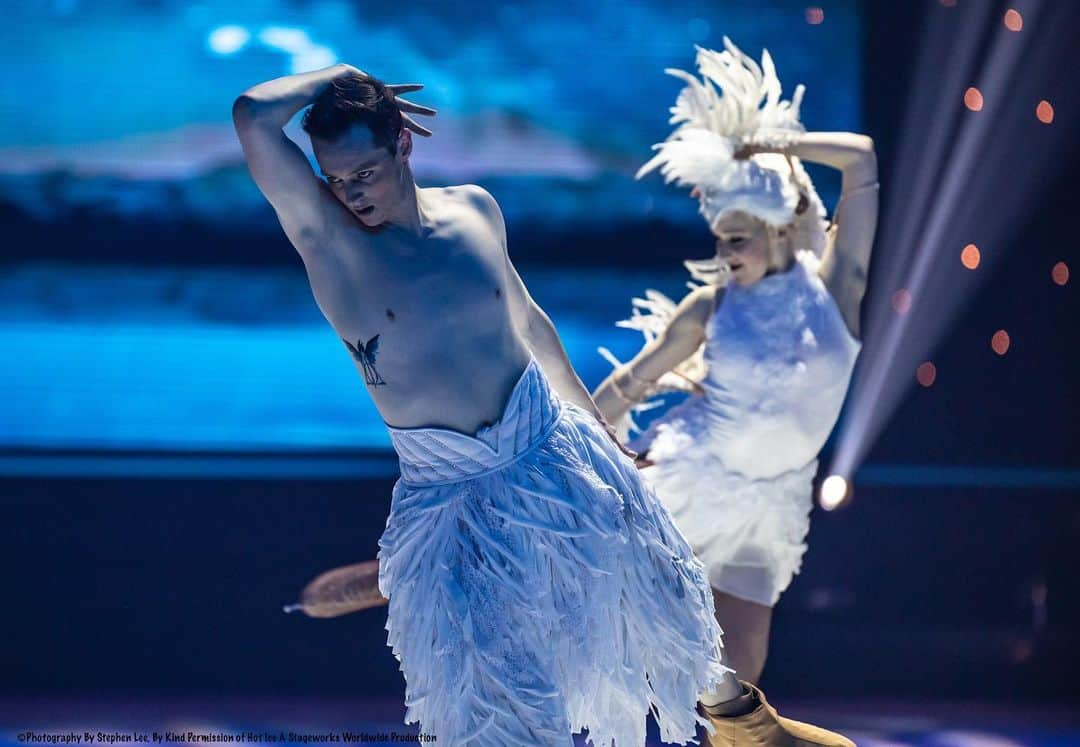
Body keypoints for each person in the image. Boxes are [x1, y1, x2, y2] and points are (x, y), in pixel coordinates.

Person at [232, 63, 728, 746]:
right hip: (449, 495)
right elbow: (252, 114)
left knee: (650, 633)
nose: (350, 193)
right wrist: (344, 74)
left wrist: (601, 433)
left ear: (402, 143)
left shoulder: (475, 209)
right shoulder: (330, 241)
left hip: (552, 454)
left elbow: (530, 322)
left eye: (364, 173)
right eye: (335, 180)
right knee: (492, 708)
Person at [590, 38, 876, 744]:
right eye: (719, 239)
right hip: (690, 479)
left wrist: (770, 142)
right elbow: (631, 381)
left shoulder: (837, 292)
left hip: (770, 504)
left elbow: (863, 160)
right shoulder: (712, 309)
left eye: (738, 237)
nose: (725, 253)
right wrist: (592, 443)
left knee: (735, 695)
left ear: (780, 228)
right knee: (611, 628)